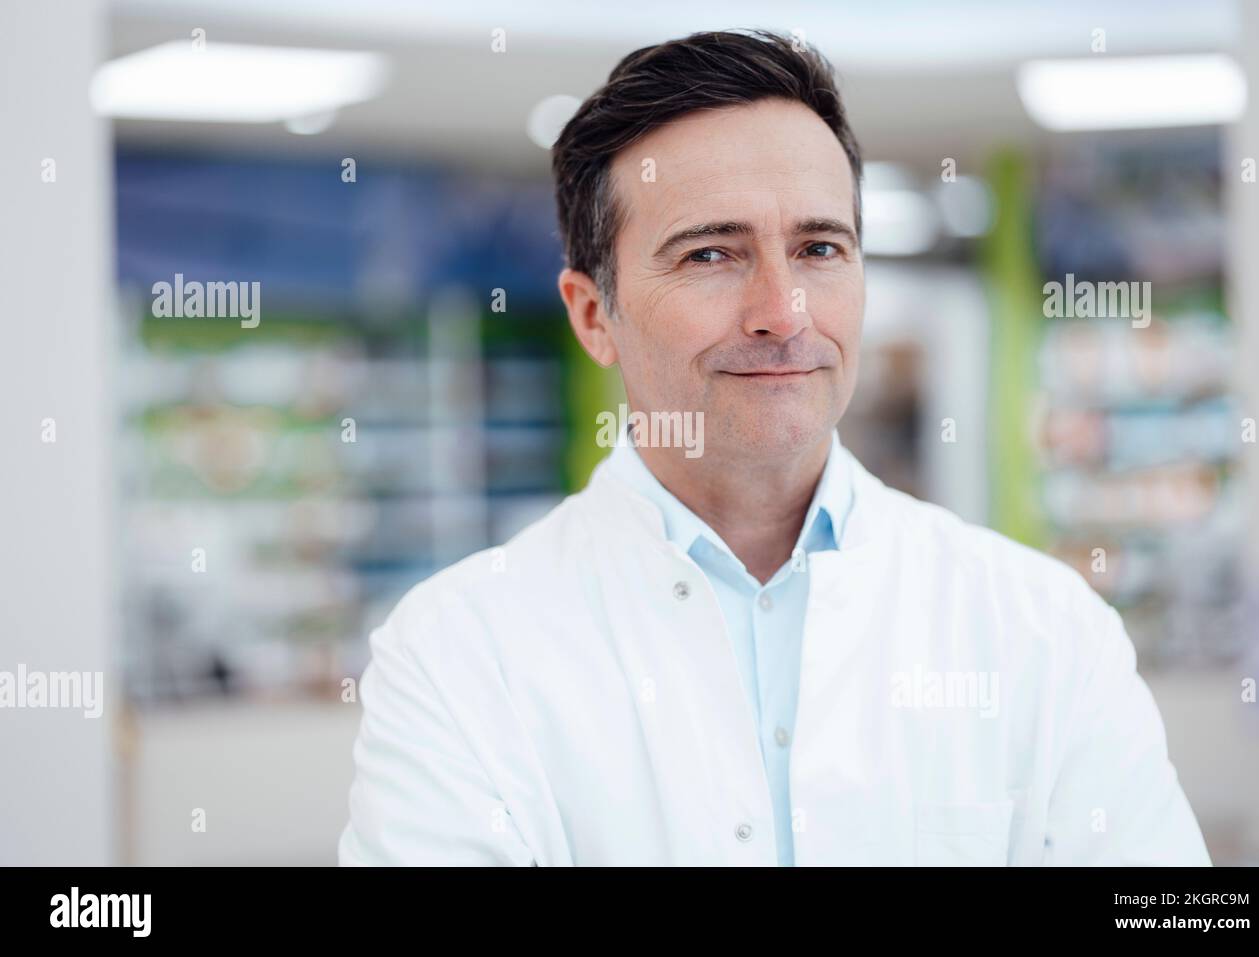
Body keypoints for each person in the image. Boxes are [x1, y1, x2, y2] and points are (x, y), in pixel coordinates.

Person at [339, 29, 1210, 866]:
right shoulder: (457, 655)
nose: (783, 311)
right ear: (593, 314)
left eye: (819, 247)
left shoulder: (1046, 629)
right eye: (712, 253)